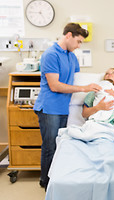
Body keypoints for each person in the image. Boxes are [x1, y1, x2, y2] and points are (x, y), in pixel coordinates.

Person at [33, 23, 101, 190]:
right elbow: (55, 85)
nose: (79, 46)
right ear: (68, 35)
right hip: (49, 107)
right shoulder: (50, 54)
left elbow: (75, 78)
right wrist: (84, 89)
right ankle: (46, 182)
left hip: (63, 107)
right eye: (78, 41)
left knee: (60, 144)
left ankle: (57, 181)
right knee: (50, 146)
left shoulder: (71, 56)